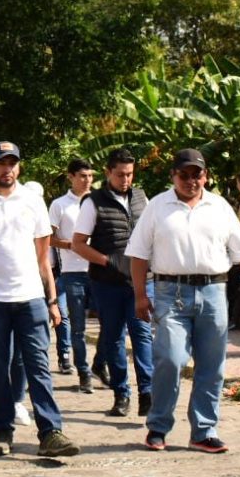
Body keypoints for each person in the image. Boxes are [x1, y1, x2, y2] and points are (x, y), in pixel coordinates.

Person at [125, 149, 240, 453]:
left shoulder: (219, 207)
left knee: (212, 365)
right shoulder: (157, 207)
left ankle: (204, 430)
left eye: (197, 174)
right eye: (184, 174)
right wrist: (140, 295)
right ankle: (158, 424)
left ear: (205, 176)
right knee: (170, 358)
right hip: (171, 292)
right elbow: (138, 254)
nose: (191, 180)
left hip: (213, 292)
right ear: (173, 176)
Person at [0, 141, 79, 459]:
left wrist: (48, 297)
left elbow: (41, 251)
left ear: (19, 167)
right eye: (0, 163)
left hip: (30, 298)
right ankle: (2, 430)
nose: (7, 169)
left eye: (12, 163)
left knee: (38, 365)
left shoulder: (33, 201)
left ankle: (50, 432)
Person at [73, 147, 154, 417]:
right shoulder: (92, 202)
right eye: (120, 174)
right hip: (107, 282)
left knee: (142, 335)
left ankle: (147, 392)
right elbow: (78, 244)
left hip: (142, 280)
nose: (126, 180)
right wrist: (108, 261)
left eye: (130, 174)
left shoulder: (143, 198)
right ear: (108, 172)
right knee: (115, 338)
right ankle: (122, 394)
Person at [48, 159, 96, 391]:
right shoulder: (59, 205)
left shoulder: (100, 200)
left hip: (100, 271)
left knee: (110, 325)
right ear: (71, 177)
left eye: (90, 176)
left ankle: (100, 364)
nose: (87, 180)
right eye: (82, 176)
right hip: (72, 271)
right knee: (77, 326)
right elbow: (49, 239)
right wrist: (73, 245)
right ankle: (83, 372)